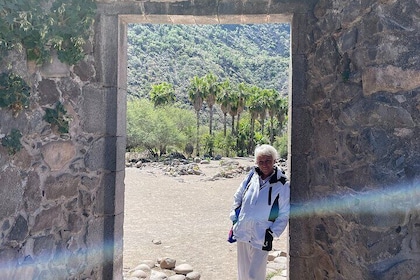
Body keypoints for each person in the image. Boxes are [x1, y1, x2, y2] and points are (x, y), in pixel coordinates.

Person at [228, 144, 290, 280]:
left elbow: (285, 213)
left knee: (255, 275)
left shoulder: (282, 184)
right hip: (243, 229)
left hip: (262, 234)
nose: (264, 164)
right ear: (257, 162)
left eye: (268, 160)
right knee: (243, 272)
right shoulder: (252, 176)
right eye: (261, 161)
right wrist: (235, 218)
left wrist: (272, 233)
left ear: (274, 160)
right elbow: (238, 197)